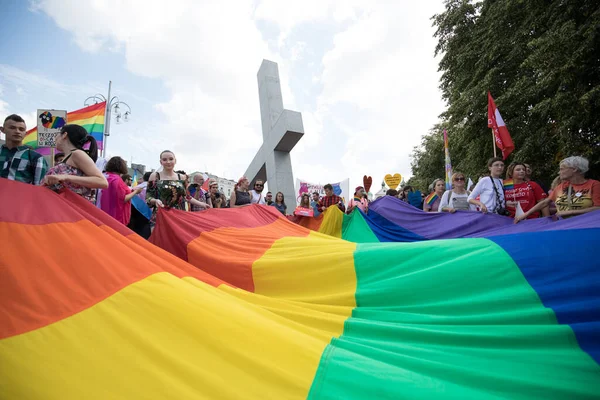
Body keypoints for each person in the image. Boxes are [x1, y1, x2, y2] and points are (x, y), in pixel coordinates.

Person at [515, 156, 600, 222]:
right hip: (563, 226)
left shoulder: (594, 185)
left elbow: (598, 208)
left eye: (562, 169)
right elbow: (545, 202)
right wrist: (525, 215)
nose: (559, 172)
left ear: (574, 169)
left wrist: (570, 212)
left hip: (585, 226)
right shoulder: (562, 186)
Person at [43, 124, 107, 202]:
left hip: (71, 207)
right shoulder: (69, 156)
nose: (55, 138)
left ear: (64, 135)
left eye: (58, 134)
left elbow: (102, 182)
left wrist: (65, 177)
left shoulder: (77, 154)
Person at [0, 114, 48, 185]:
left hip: (21, 195)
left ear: (25, 133)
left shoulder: (36, 158)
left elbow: (39, 188)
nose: (17, 131)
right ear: (3, 130)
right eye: (12, 128)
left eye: (21, 129)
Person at [146, 150, 188, 227]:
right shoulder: (154, 176)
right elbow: (148, 197)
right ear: (161, 162)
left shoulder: (182, 177)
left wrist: (202, 204)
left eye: (171, 159)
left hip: (178, 216)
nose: (168, 162)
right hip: (160, 215)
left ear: (175, 161)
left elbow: (186, 197)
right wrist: (155, 200)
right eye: (164, 160)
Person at [100, 156, 142, 225]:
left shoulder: (107, 176)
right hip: (117, 215)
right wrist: (136, 192)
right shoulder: (117, 180)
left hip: (106, 211)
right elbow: (123, 199)